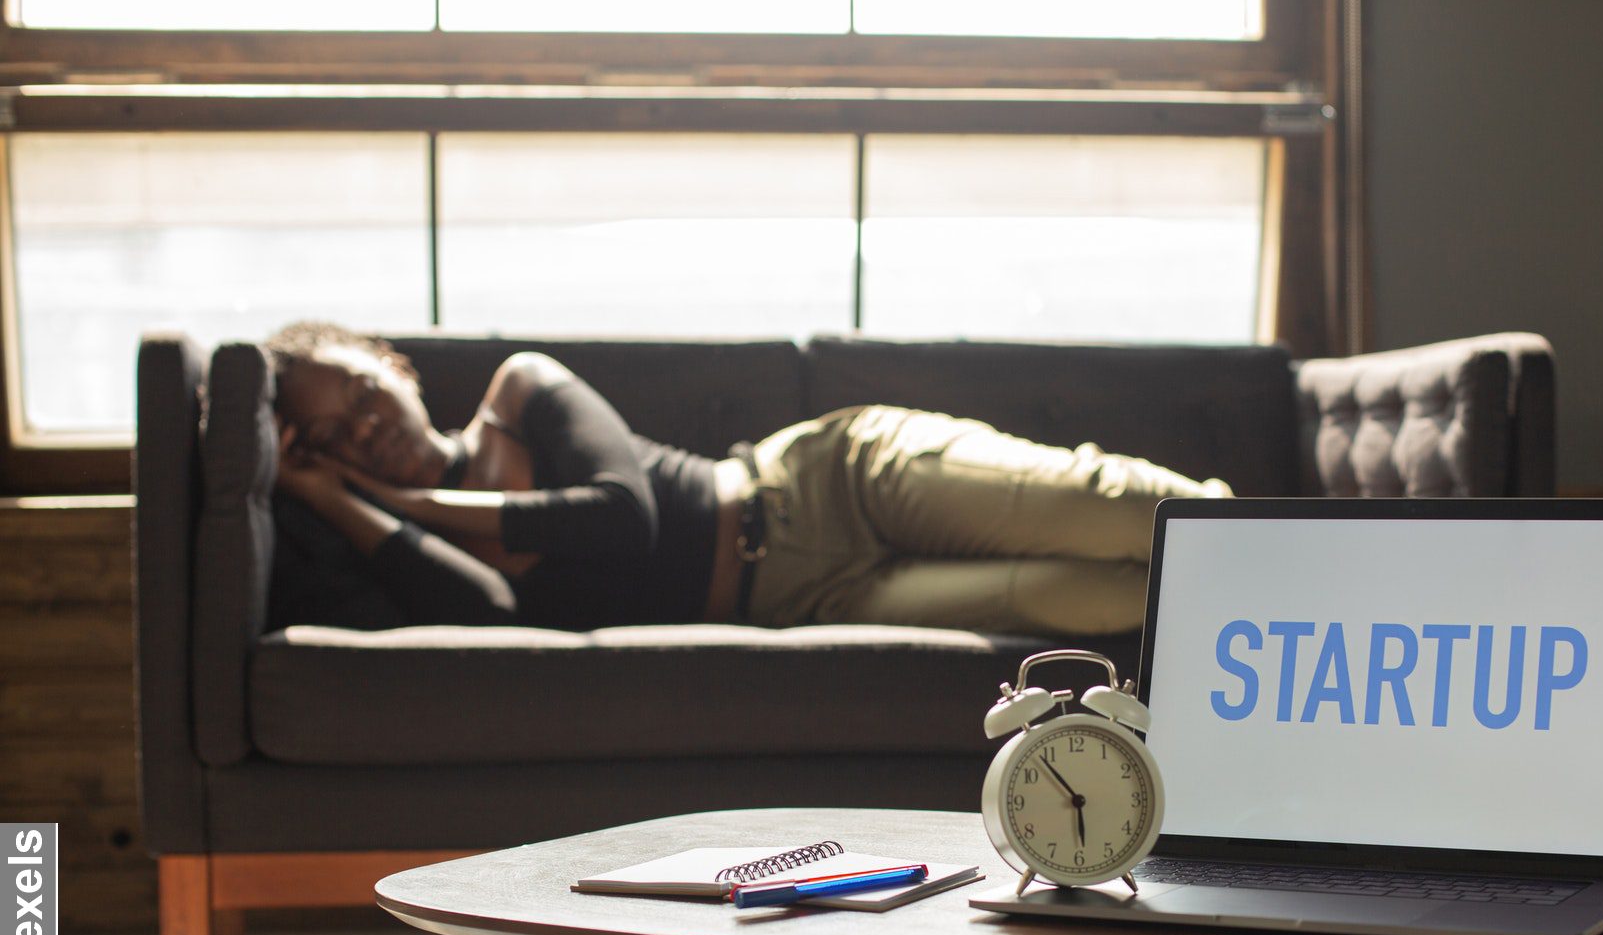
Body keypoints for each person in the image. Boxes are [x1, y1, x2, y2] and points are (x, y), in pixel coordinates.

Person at [266, 321, 1232, 636]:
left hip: (830, 482)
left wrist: (403, 501)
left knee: (1116, 513)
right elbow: (491, 615)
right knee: (1093, 600)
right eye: (328, 435)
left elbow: (621, 519)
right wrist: (334, 504)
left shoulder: (519, 390)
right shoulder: (410, 549)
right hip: (813, 596)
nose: (361, 427)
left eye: (358, 393)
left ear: (391, 368)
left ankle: (1327, 552)